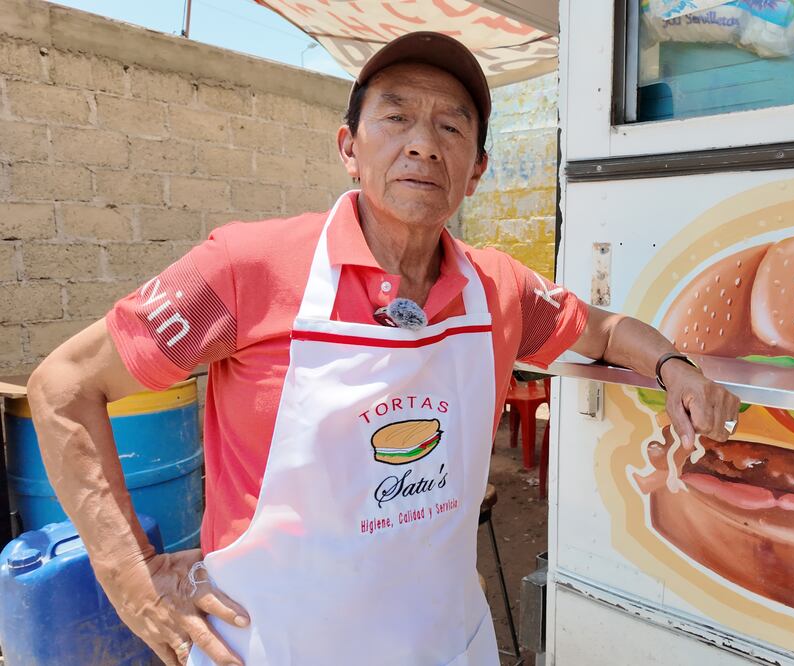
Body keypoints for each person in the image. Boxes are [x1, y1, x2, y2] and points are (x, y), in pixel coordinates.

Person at [26, 32, 739, 666]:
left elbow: (606, 331)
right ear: (349, 149)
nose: (424, 143)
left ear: (477, 168)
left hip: (443, 644)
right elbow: (64, 385)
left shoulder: (497, 288)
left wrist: (675, 366)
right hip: (270, 647)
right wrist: (129, 572)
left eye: (451, 126)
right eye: (396, 117)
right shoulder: (245, 267)